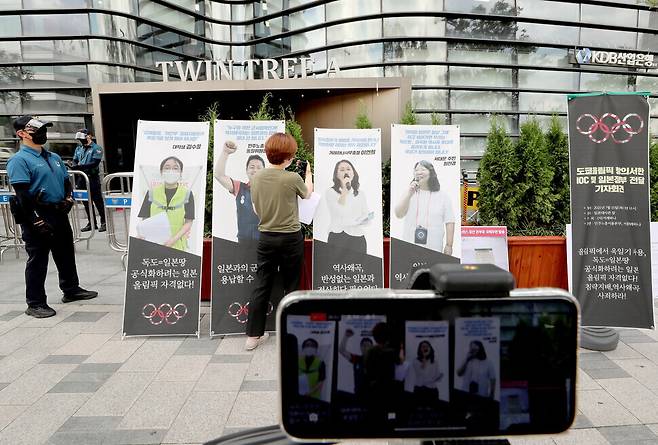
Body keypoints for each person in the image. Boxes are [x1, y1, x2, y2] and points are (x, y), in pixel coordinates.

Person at [6, 116, 98, 318]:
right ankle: (35, 302)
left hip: (59, 212)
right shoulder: (19, 160)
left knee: (65, 252)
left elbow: (66, 181)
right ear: (22, 134)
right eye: (36, 130)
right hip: (37, 214)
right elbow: (22, 194)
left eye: (43, 130)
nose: (42, 134)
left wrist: (68, 198)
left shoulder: (54, 157)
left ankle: (71, 289)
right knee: (38, 259)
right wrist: (35, 219)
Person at [245, 133, 313, 350]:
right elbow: (308, 195)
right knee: (291, 284)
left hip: (266, 237)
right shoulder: (293, 178)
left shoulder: (256, 178)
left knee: (262, 283)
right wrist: (309, 173)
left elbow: (256, 209)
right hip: (291, 238)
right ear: (289, 157)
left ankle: (252, 337)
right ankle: (292, 332)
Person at [394, 160, 455, 255]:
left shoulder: (443, 196)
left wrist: (449, 245)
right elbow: (398, 214)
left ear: (431, 173)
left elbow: (450, 221)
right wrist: (409, 193)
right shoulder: (408, 193)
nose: (419, 172)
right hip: (410, 245)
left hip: (434, 246)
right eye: (416, 170)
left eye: (423, 169)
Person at [137, 156, 195, 252]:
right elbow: (145, 219)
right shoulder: (151, 193)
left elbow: (188, 222)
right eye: (167, 168)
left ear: (180, 173)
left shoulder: (187, 194)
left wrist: (172, 240)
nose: (171, 171)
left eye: (175, 168)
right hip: (153, 244)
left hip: (177, 245)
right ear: (161, 172)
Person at [214, 140, 265, 243]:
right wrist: (225, 152)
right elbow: (219, 175)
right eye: (252, 167)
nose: (255, 170)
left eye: (259, 168)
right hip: (243, 242)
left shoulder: (271, 189)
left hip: (265, 242)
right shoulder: (239, 187)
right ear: (246, 170)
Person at [321, 159, 370, 253]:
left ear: (353, 173)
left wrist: (362, 220)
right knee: (338, 267)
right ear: (336, 174)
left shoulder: (360, 193)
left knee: (357, 267)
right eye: (342, 170)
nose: (346, 172)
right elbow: (339, 211)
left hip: (358, 237)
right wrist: (344, 189)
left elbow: (366, 215)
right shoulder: (330, 192)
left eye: (348, 169)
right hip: (338, 236)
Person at [70, 129, 106, 232]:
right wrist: (74, 165)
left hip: (92, 178)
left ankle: (104, 223)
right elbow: (75, 160)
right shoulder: (79, 148)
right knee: (86, 202)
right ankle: (92, 223)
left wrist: (80, 167)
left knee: (98, 201)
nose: (81, 141)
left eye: (82, 139)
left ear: (89, 136)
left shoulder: (97, 148)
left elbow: (95, 163)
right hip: (82, 178)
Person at [338, 328, 374, 396]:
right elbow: (341, 350)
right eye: (364, 345)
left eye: (368, 345)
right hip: (358, 394)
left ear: (372, 347)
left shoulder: (377, 360)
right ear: (360, 347)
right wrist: (346, 336)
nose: (366, 347)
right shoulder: (357, 359)